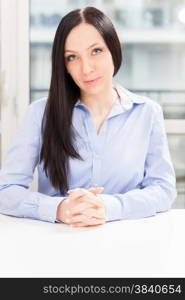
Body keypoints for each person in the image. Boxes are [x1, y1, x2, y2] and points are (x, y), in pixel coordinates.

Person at [0, 7, 177, 227]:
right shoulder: (40, 114)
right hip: (57, 240)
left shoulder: (147, 112)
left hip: (127, 241)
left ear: (114, 49)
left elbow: (163, 189)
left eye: (96, 51)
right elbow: (6, 190)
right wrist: (59, 208)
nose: (86, 68)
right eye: (72, 57)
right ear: (63, 66)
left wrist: (108, 207)